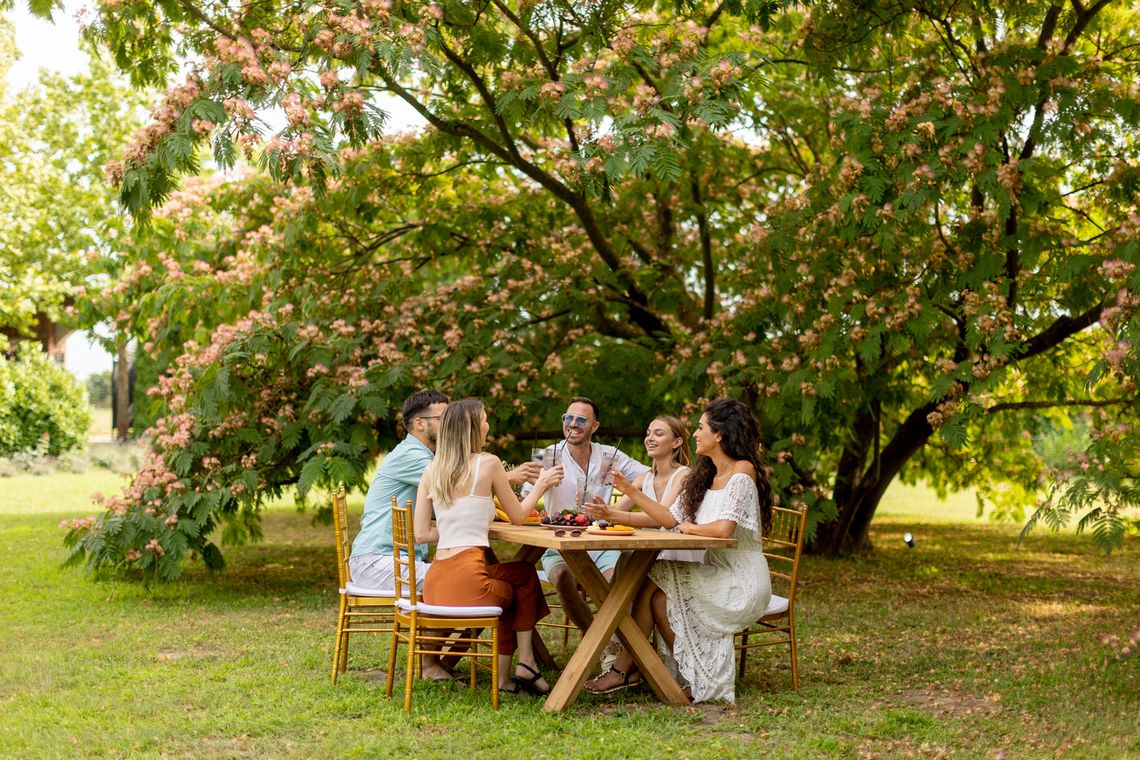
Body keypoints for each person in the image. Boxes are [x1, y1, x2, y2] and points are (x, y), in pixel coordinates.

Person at [584, 398, 773, 704]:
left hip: (741, 579)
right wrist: (627, 500)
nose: (696, 434)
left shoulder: (743, 470)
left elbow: (724, 529)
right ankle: (677, 674)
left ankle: (627, 669)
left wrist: (691, 528)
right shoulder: (705, 474)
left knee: (651, 580)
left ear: (720, 435)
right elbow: (669, 517)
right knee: (651, 586)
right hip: (714, 569)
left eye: (700, 427)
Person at [349, 390, 540, 681]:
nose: (451, 420)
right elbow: (458, 481)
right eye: (443, 416)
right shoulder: (417, 458)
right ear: (420, 424)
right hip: (378, 560)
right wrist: (505, 477)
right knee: (461, 585)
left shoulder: (432, 459)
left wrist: (463, 523)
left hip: (400, 556)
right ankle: (432, 665)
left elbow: (448, 507)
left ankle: (446, 662)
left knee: (468, 581)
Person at [413, 398, 564, 696]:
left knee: (521, 573)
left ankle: (525, 665)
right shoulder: (489, 463)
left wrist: (458, 524)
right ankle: (515, 671)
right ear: (471, 428)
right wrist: (543, 484)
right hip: (468, 583)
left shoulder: (432, 470)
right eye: (483, 420)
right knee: (514, 591)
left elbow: (420, 534)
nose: (488, 425)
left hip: (435, 583)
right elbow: (520, 516)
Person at [532, 397, 649, 639]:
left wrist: (620, 507)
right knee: (563, 577)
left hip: (602, 544)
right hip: (559, 545)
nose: (572, 424)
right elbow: (525, 497)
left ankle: (619, 645)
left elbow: (649, 475)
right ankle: (597, 641)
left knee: (620, 588)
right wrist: (539, 487)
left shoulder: (609, 456)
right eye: (568, 418)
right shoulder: (549, 455)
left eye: (581, 419)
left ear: (594, 426)